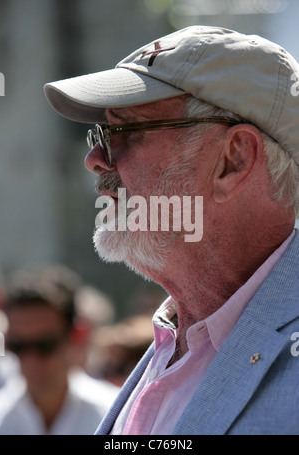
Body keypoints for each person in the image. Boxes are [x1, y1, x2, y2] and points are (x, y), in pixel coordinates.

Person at [44, 26, 299, 435]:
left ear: (234, 160)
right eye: (101, 134)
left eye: (123, 132)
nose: (94, 159)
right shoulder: (176, 336)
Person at [0, 264, 119, 435]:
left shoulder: (116, 414)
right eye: (18, 346)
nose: (31, 359)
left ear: (76, 336)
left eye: (45, 345)